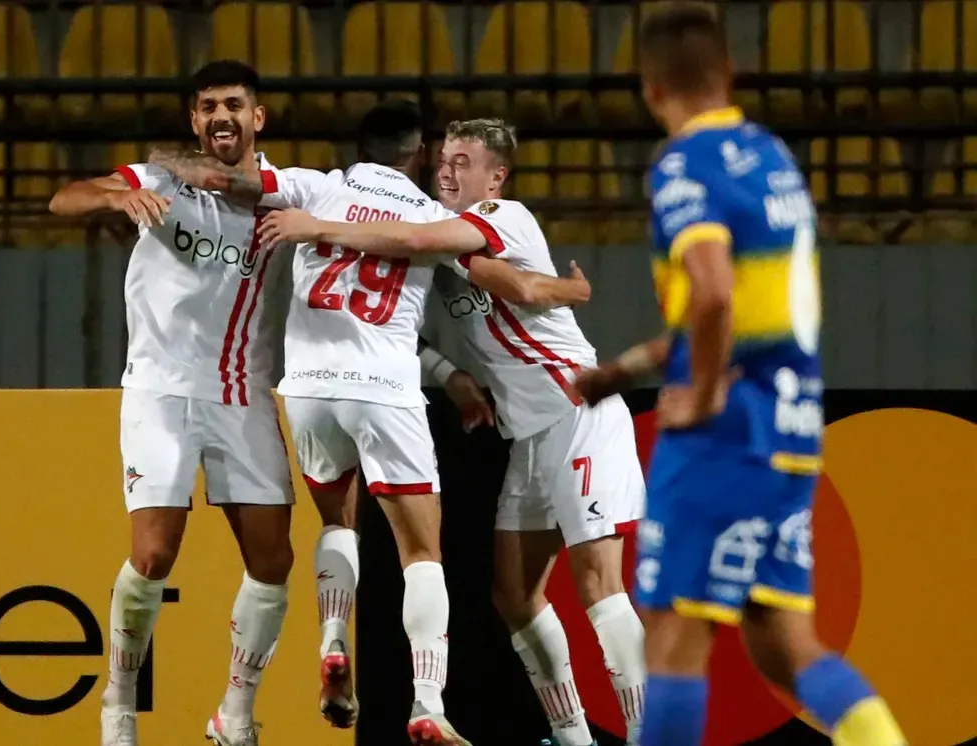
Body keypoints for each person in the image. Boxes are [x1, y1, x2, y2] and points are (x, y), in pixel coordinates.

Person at [150, 101, 589, 746]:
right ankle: (429, 702)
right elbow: (507, 281)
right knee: (422, 553)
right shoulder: (436, 216)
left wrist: (156, 163)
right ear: (415, 156)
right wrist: (568, 291)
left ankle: (333, 641)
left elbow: (224, 176)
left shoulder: (314, 186)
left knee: (337, 521)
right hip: (384, 391)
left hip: (306, 390)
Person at [567, 5, 907, 745]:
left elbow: (713, 288)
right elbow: (738, 306)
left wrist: (709, 389)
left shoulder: (684, 164)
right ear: (731, 76)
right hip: (789, 429)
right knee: (784, 647)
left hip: (727, 431)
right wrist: (625, 368)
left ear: (651, 90)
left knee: (673, 642)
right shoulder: (773, 156)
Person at [256, 117, 648, 746]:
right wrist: (456, 375)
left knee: (600, 585)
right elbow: (406, 307)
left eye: (464, 162)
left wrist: (317, 225)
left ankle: (645, 732)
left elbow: (506, 278)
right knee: (514, 596)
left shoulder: (501, 213)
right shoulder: (441, 244)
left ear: (496, 176)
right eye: (443, 160)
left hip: (578, 413)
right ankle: (573, 737)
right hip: (529, 435)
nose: (447, 170)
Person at [48, 60, 295, 746]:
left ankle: (235, 715)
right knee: (154, 555)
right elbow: (62, 198)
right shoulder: (156, 179)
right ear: (195, 119)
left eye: (235, 105)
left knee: (273, 563)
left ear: (258, 117)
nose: (222, 116)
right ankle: (118, 706)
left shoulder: (281, 194)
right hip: (159, 388)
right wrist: (114, 198)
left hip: (242, 393)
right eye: (209, 106)